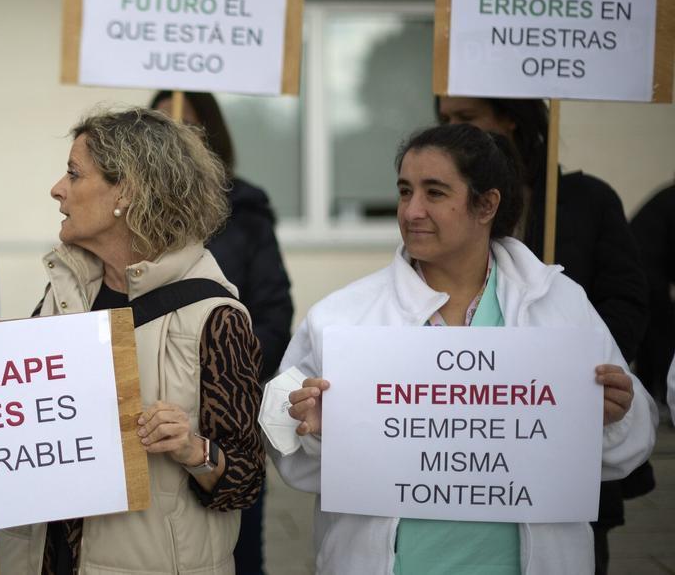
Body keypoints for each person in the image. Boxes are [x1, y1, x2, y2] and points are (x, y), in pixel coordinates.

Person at [271, 123, 656, 574]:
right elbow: (285, 452)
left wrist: (613, 416)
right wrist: (314, 431)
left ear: (486, 205)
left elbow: (631, 446)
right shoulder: (343, 318)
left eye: (434, 193)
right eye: (404, 191)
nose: (412, 210)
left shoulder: (559, 306)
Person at [0, 107, 264, 574]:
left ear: (127, 190)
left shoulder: (217, 317)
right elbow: (22, 419)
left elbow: (246, 482)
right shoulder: (64, 293)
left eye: (73, 174)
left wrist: (192, 448)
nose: (57, 190)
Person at [437, 97, 651, 571]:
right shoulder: (438, 218)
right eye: (446, 119)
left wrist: (564, 369)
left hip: (561, 441)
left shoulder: (585, 200)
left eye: (466, 118)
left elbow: (627, 298)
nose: (454, 128)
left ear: (511, 117)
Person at [151, 89, 292, 574]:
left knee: (235, 553)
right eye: (163, 123)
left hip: (226, 428)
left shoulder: (245, 211)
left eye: (189, 124)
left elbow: (273, 314)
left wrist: (225, 382)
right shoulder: (129, 214)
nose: (178, 135)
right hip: (151, 427)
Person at [631, 181, 675, 410]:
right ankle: (664, 397)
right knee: (661, 335)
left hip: (638, 271)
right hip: (647, 273)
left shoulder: (665, 197)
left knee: (648, 338)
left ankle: (651, 395)